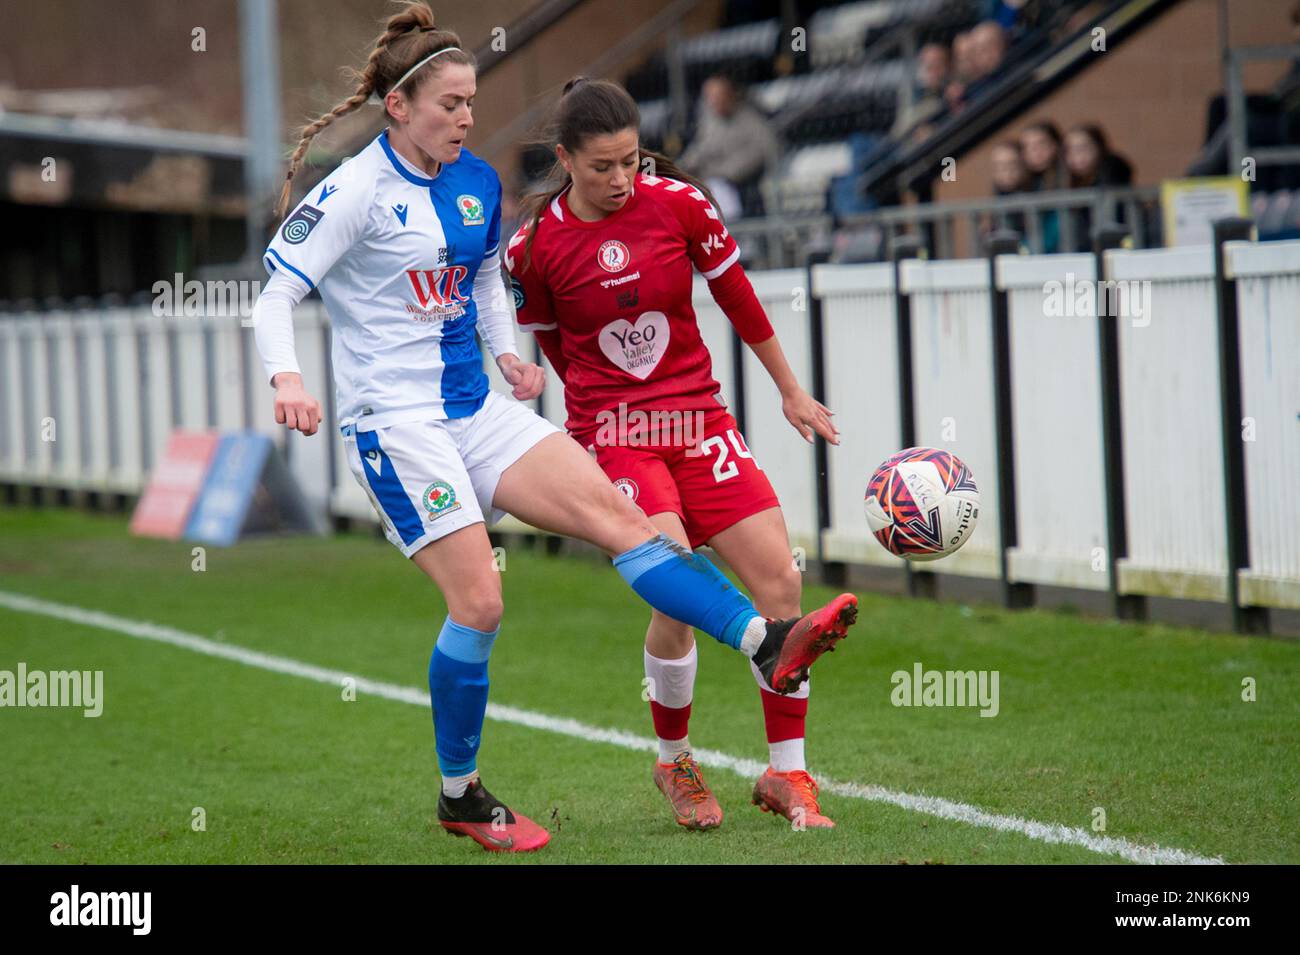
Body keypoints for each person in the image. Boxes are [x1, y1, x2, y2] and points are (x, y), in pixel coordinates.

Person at [249, 2, 858, 855]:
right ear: (399, 107)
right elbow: (276, 290)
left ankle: (764, 644)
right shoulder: (354, 191)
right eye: (449, 105)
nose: (467, 118)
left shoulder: (474, 182)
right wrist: (288, 377)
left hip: (479, 411)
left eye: (470, 103)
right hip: (395, 424)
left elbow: (486, 280)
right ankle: (461, 794)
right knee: (482, 600)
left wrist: (508, 357)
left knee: (629, 525)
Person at [506, 78, 844, 831]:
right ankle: (676, 760)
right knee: (674, 576)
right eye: (601, 167)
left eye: (631, 160)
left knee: (781, 581)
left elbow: (738, 298)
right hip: (618, 432)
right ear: (564, 159)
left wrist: (790, 390)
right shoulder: (532, 250)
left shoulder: (681, 205)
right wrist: (594, 421)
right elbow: (556, 346)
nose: (622, 178)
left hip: (699, 422)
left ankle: (787, 775)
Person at [677, 74, 778, 220]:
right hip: (713, 180)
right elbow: (701, 150)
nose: (714, 101)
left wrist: (723, 172)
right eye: (710, 97)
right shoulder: (710, 121)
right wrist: (679, 168)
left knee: (717, 188)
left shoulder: (749, 119)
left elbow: (764, 151)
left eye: (718, 96)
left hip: (742, 184)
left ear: (729, 95)